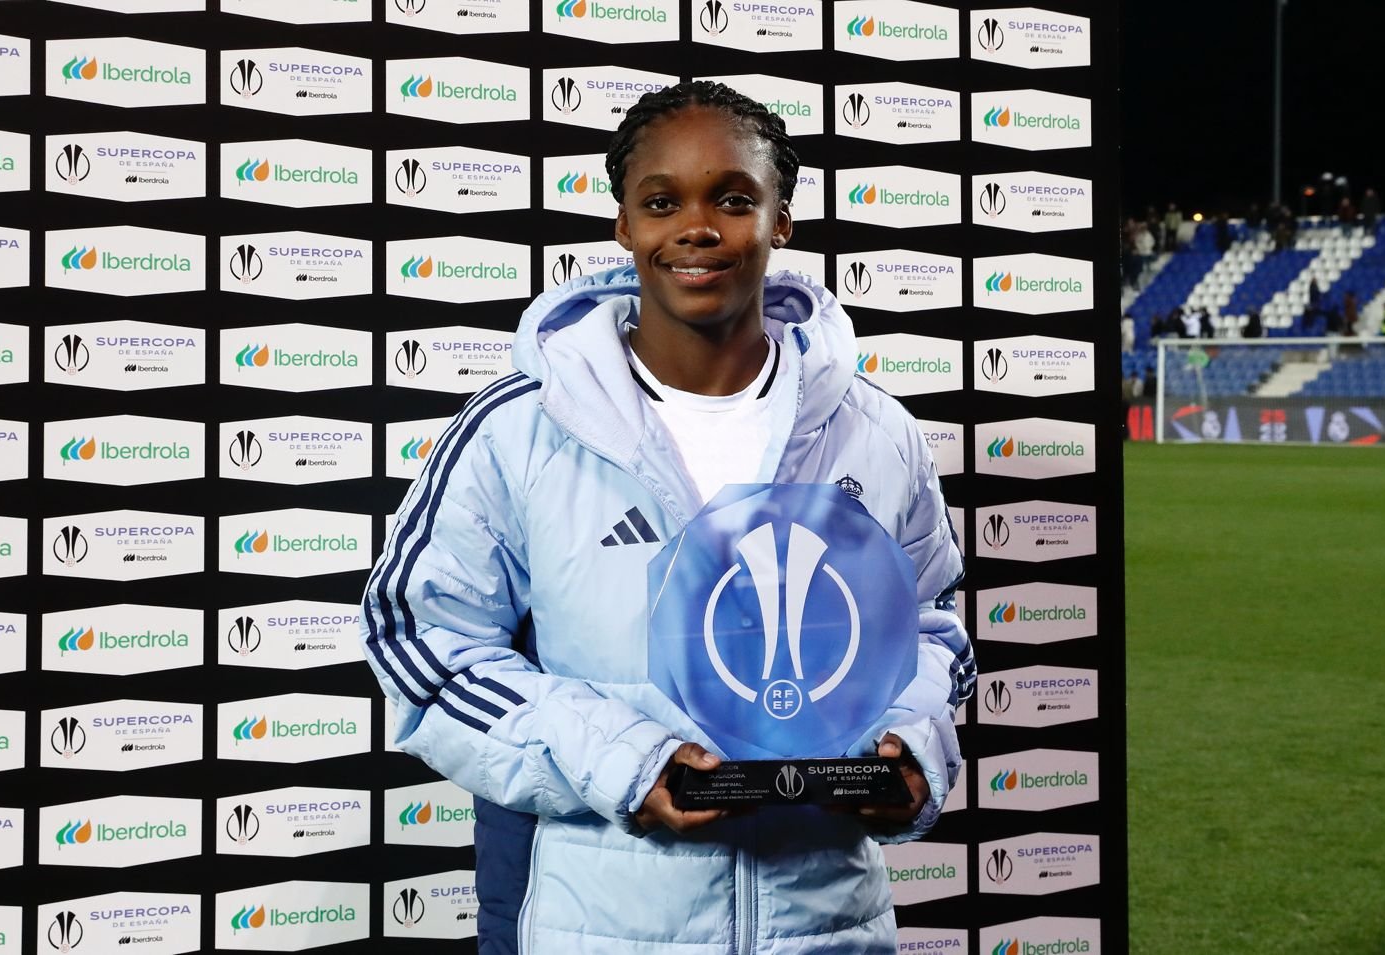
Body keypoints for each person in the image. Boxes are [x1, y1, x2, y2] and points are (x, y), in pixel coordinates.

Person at [360, 80, 972, 955]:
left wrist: (911, 748)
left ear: (781, 220)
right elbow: (420, 641)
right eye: (661, 201)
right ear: (623, 226)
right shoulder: (522, 427)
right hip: (598, 923)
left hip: (829, 927)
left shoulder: (877, 431)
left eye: (732, 197)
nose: (696, 227)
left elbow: (928, 630)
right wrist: (623, 760)